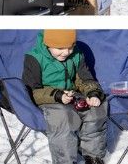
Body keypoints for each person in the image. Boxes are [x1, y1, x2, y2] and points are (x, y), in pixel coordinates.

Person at [23, 30, 107, 164]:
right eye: (60, 48)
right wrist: (57, 95)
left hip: (71, 95)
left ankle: (93, 157)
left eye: (70, 47)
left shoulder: (76, 54)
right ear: (48, 44)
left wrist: (93, 94)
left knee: (96, 109)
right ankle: (65, 161)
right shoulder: (34, 58)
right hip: (47, 99)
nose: (66, 52)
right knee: (63, 118)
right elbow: (32, 91)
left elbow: (85, 79)